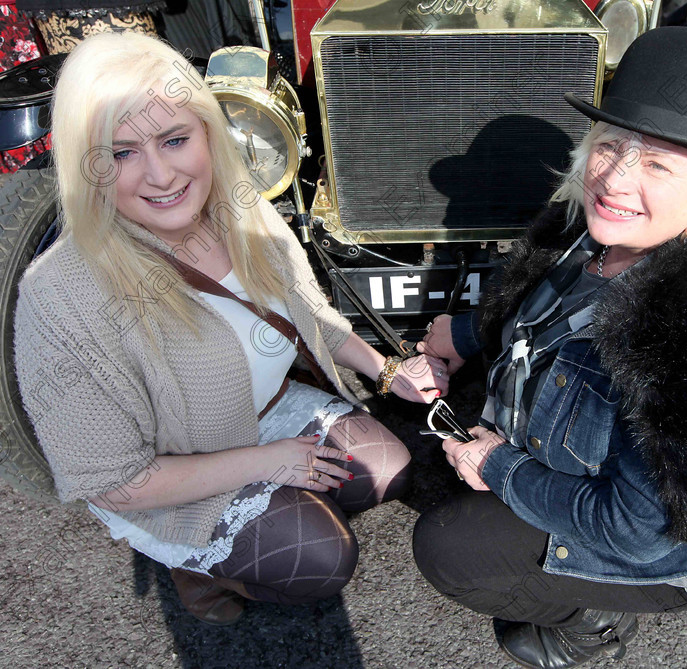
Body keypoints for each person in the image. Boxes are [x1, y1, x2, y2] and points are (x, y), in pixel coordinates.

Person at [413, 26, 687, 668]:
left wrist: (500, 468)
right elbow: (541, 306)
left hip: (667, 544)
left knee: (450, 547)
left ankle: (592, 621)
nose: (614, 179)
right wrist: (468, 336)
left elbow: (638, 529)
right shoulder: (594, 229)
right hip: (582, 468)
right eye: (611, 146)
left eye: (661, 164)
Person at [13, 31, 450, 626]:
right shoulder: (59, 295)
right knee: (321, 559)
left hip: (267, 408)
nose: (161, 175)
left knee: (389, 469)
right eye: (120, 153)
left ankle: (275, 511)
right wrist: (266, 462)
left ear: (206, 131)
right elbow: (115, 483)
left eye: (174, 139)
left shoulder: (236, 201)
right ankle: (199, 570)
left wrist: (387, 368)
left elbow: (306, 313)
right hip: (175, 466)